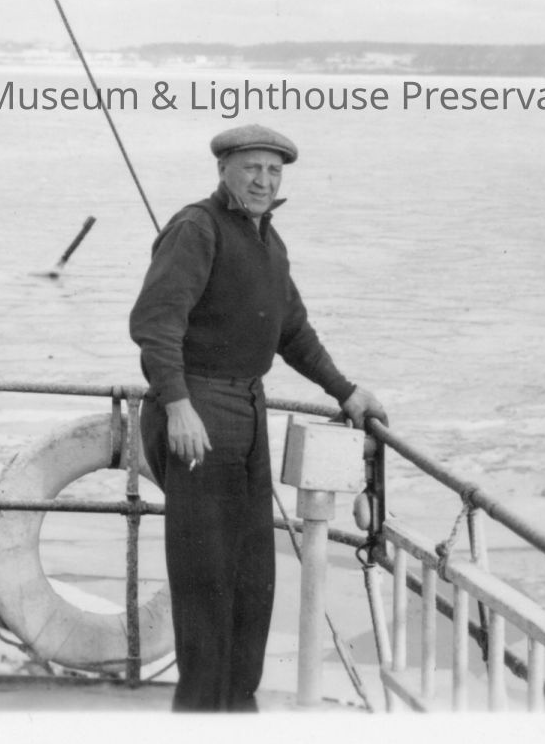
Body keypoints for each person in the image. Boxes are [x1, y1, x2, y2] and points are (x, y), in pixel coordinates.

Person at [129, 123, 387, 711]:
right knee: (205, 580)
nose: (263, 181)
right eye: (251, 168)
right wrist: (177, 405)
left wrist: (347, 392)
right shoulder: (196, 228)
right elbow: (155, 325)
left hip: (249, 411)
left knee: (252, 576)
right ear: (223, 169)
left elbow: (292, 332)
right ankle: (201, 720)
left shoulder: (269, 241)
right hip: (197, 412)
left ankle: (238, 711)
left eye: (273, 171)